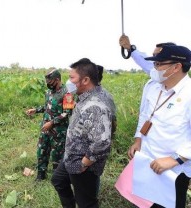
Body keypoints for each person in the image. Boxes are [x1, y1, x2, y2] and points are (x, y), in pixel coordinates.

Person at [126, 45, 191, 208]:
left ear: (177, 67)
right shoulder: (154, 86)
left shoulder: (188, 94)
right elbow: (145, 115)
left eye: (159, 64)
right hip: (147, 161)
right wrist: (138, 139)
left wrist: (175, 159)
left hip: (173, 170)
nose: (154, 69)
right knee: (142, 204)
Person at [51, 59, 113, 208]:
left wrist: (84, 163)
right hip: (71, 156)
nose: (68, 81)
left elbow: (102, 142)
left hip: (83, 163)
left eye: (72, 78)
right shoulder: (84, 97)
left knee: (86, 203)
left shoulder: (96, 105)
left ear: (85, 80)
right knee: (58, 180)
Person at [26, 69, 73, 181]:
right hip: (45, 129)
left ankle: (57, 179)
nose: (48, 84)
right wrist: (36, 110)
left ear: (57, 80)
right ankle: (41, 176)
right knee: (41, 151)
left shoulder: (67, 94)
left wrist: (52, 123)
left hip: (59, 132)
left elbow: (67, 113)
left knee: (57, 155)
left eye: (50, 82)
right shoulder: (49, 92)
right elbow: (47, 107)